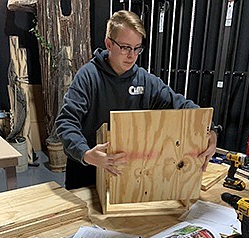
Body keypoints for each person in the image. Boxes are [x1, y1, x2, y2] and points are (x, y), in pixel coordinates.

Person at [55, 10, 217, 190]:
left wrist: (210, 131)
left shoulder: (146, 81)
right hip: (86, 171)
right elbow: (66, 122)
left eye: (137, 48)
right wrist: (85, 153)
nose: (131, 55)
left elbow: (183, 106)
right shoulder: (88, 76)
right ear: (109, 43)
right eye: (125, 47)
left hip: (128, 174)